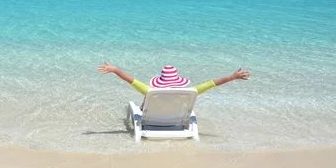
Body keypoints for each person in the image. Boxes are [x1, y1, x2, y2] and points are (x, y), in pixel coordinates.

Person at [98, 62, 250, 108]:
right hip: (175, 119)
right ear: (177, 80)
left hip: (151, 120)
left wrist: (115, 70)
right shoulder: (190, 91)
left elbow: (129, 79)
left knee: (144, 102)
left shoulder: (150, 90)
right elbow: (212, 84)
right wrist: (233, 77)